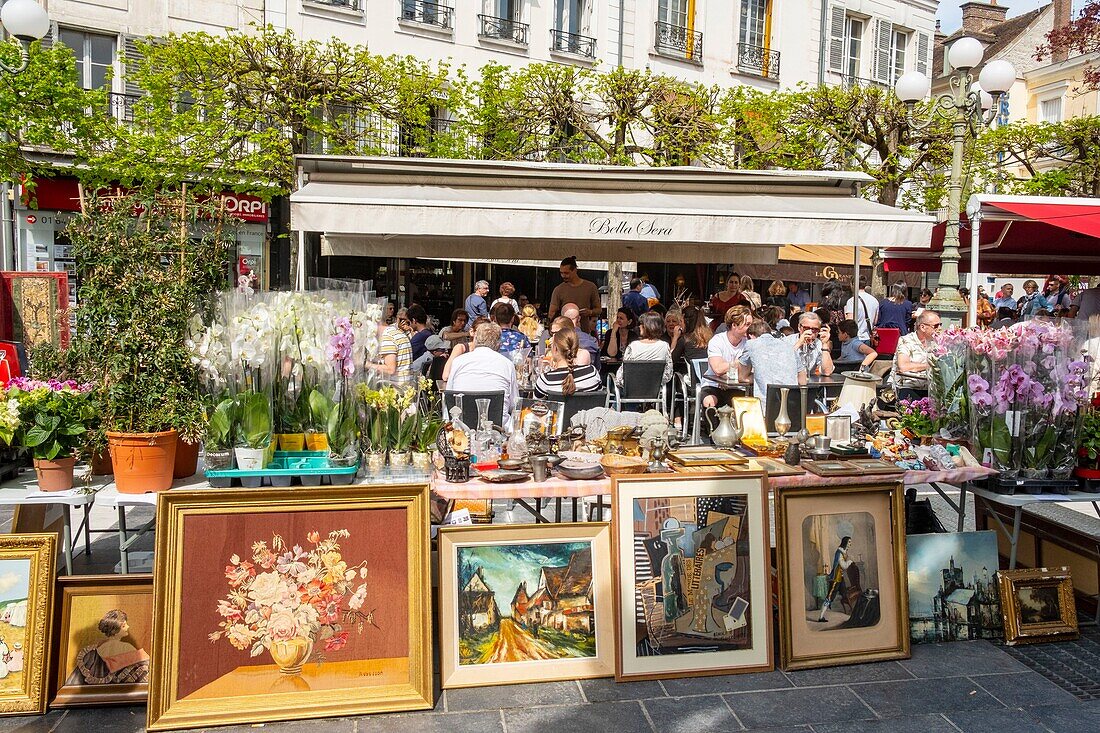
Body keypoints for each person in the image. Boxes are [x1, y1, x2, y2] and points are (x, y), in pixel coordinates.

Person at [446, 322, 519, 425]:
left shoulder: (458, 362)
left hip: (462, 428)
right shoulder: (507, 364)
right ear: (498, 343)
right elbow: (514, 403)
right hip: (498, 429)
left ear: (475, 340)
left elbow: (449, 397)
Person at [68, 609, 150, 685]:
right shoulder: (126, 647)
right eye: (124, 625)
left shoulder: (94, 651)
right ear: (115, 629)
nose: (128, 627)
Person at [738, 318, 806, 408]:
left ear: (750, 336)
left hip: (766, 406)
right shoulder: (788, 346)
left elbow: (742, 377)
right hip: (792, 405)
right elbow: (802, 380)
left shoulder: (751, 344)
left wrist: (761, 376)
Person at [700, 306, 753, 410]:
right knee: (709, 402)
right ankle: (712, 427)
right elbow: (718, 369)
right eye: (747, 324)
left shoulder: (750, 343)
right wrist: (741, 361)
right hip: (714, 385)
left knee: (748, 405)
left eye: (751, 324)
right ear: (734, 325)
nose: (750, 328)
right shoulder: (717, 341)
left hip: (738, 387)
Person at [534, 327, 602, 398]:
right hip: (589, 409)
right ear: (576, 348)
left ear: (555, 349)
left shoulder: (546, 380)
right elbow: (600, 398)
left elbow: (537, 404)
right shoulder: (592, 373)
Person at [892, 309, 941, 400]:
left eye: (940, 325)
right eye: (936, 326)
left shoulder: (938, 342)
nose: (940, 329)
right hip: (908, 387)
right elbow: (903, 366)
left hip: (931, 389)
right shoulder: (906, 340)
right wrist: (930, 365)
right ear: (922, 327)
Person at [616, 311, 673, 388]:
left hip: (632, 389)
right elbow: (668, 373)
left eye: (641, 325)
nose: (639, 327)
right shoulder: (664, 346)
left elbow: (622, 373)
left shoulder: (633, 346)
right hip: (654, 390)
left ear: (648, 327)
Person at [549, 256, 601, 333]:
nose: (563, 276)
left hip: (584, 332)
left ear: (575, 270)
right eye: (561, 273)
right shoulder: (559, 289)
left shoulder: (590, 287)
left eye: (566, 273)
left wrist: (590, 312)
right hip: (564, 333)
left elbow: (598, 310)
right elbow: (551, 313)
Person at [815, 537, 854, 623]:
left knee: (846, 594)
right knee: (829, 598)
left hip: (841, 578)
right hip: (836, 579)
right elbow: (844, 566)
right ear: (845, 542)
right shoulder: (839, 553)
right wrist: (849, 562)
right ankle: (820, 617)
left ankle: (851, 614)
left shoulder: (843, 552)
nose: (850, 544)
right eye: (849, 542)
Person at [785, 312, 835, 376]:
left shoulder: (818, 344)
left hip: (808, 382)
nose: (810, 332)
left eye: (815, 329)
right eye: (806, 328)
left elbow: (827, 372)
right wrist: (799, 343)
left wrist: (825, 344)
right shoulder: (787, 341)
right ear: (799, 327)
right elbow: (783, 363)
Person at [843, 276, 879, 341]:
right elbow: (875, 321)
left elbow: (849, 321)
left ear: (853, 284)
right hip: (868, 337)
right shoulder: (874, 300)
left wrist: (845, 312)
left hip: (855, 338)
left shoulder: (852, 301)